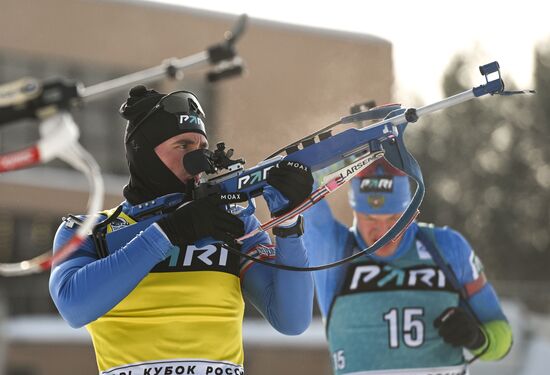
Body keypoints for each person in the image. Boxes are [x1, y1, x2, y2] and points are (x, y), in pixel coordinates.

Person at [49, 85, 314, 375]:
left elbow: (292, 319)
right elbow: (74, 306)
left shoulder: (230, 221)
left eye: (201, 148)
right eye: (183, 146)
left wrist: (288, 225)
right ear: (144, 152)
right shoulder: (90, 230)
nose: (198, 160)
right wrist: (170, 231)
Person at [303, 158, 513, 375]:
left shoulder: (447, 247)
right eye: (371, 219)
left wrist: (478, 337)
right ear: (355, 211)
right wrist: (343, 161)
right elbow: (300, 188)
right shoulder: (334, 250)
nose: (384, 232)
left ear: (411, 211)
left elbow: (503, 339)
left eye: (394, 219)